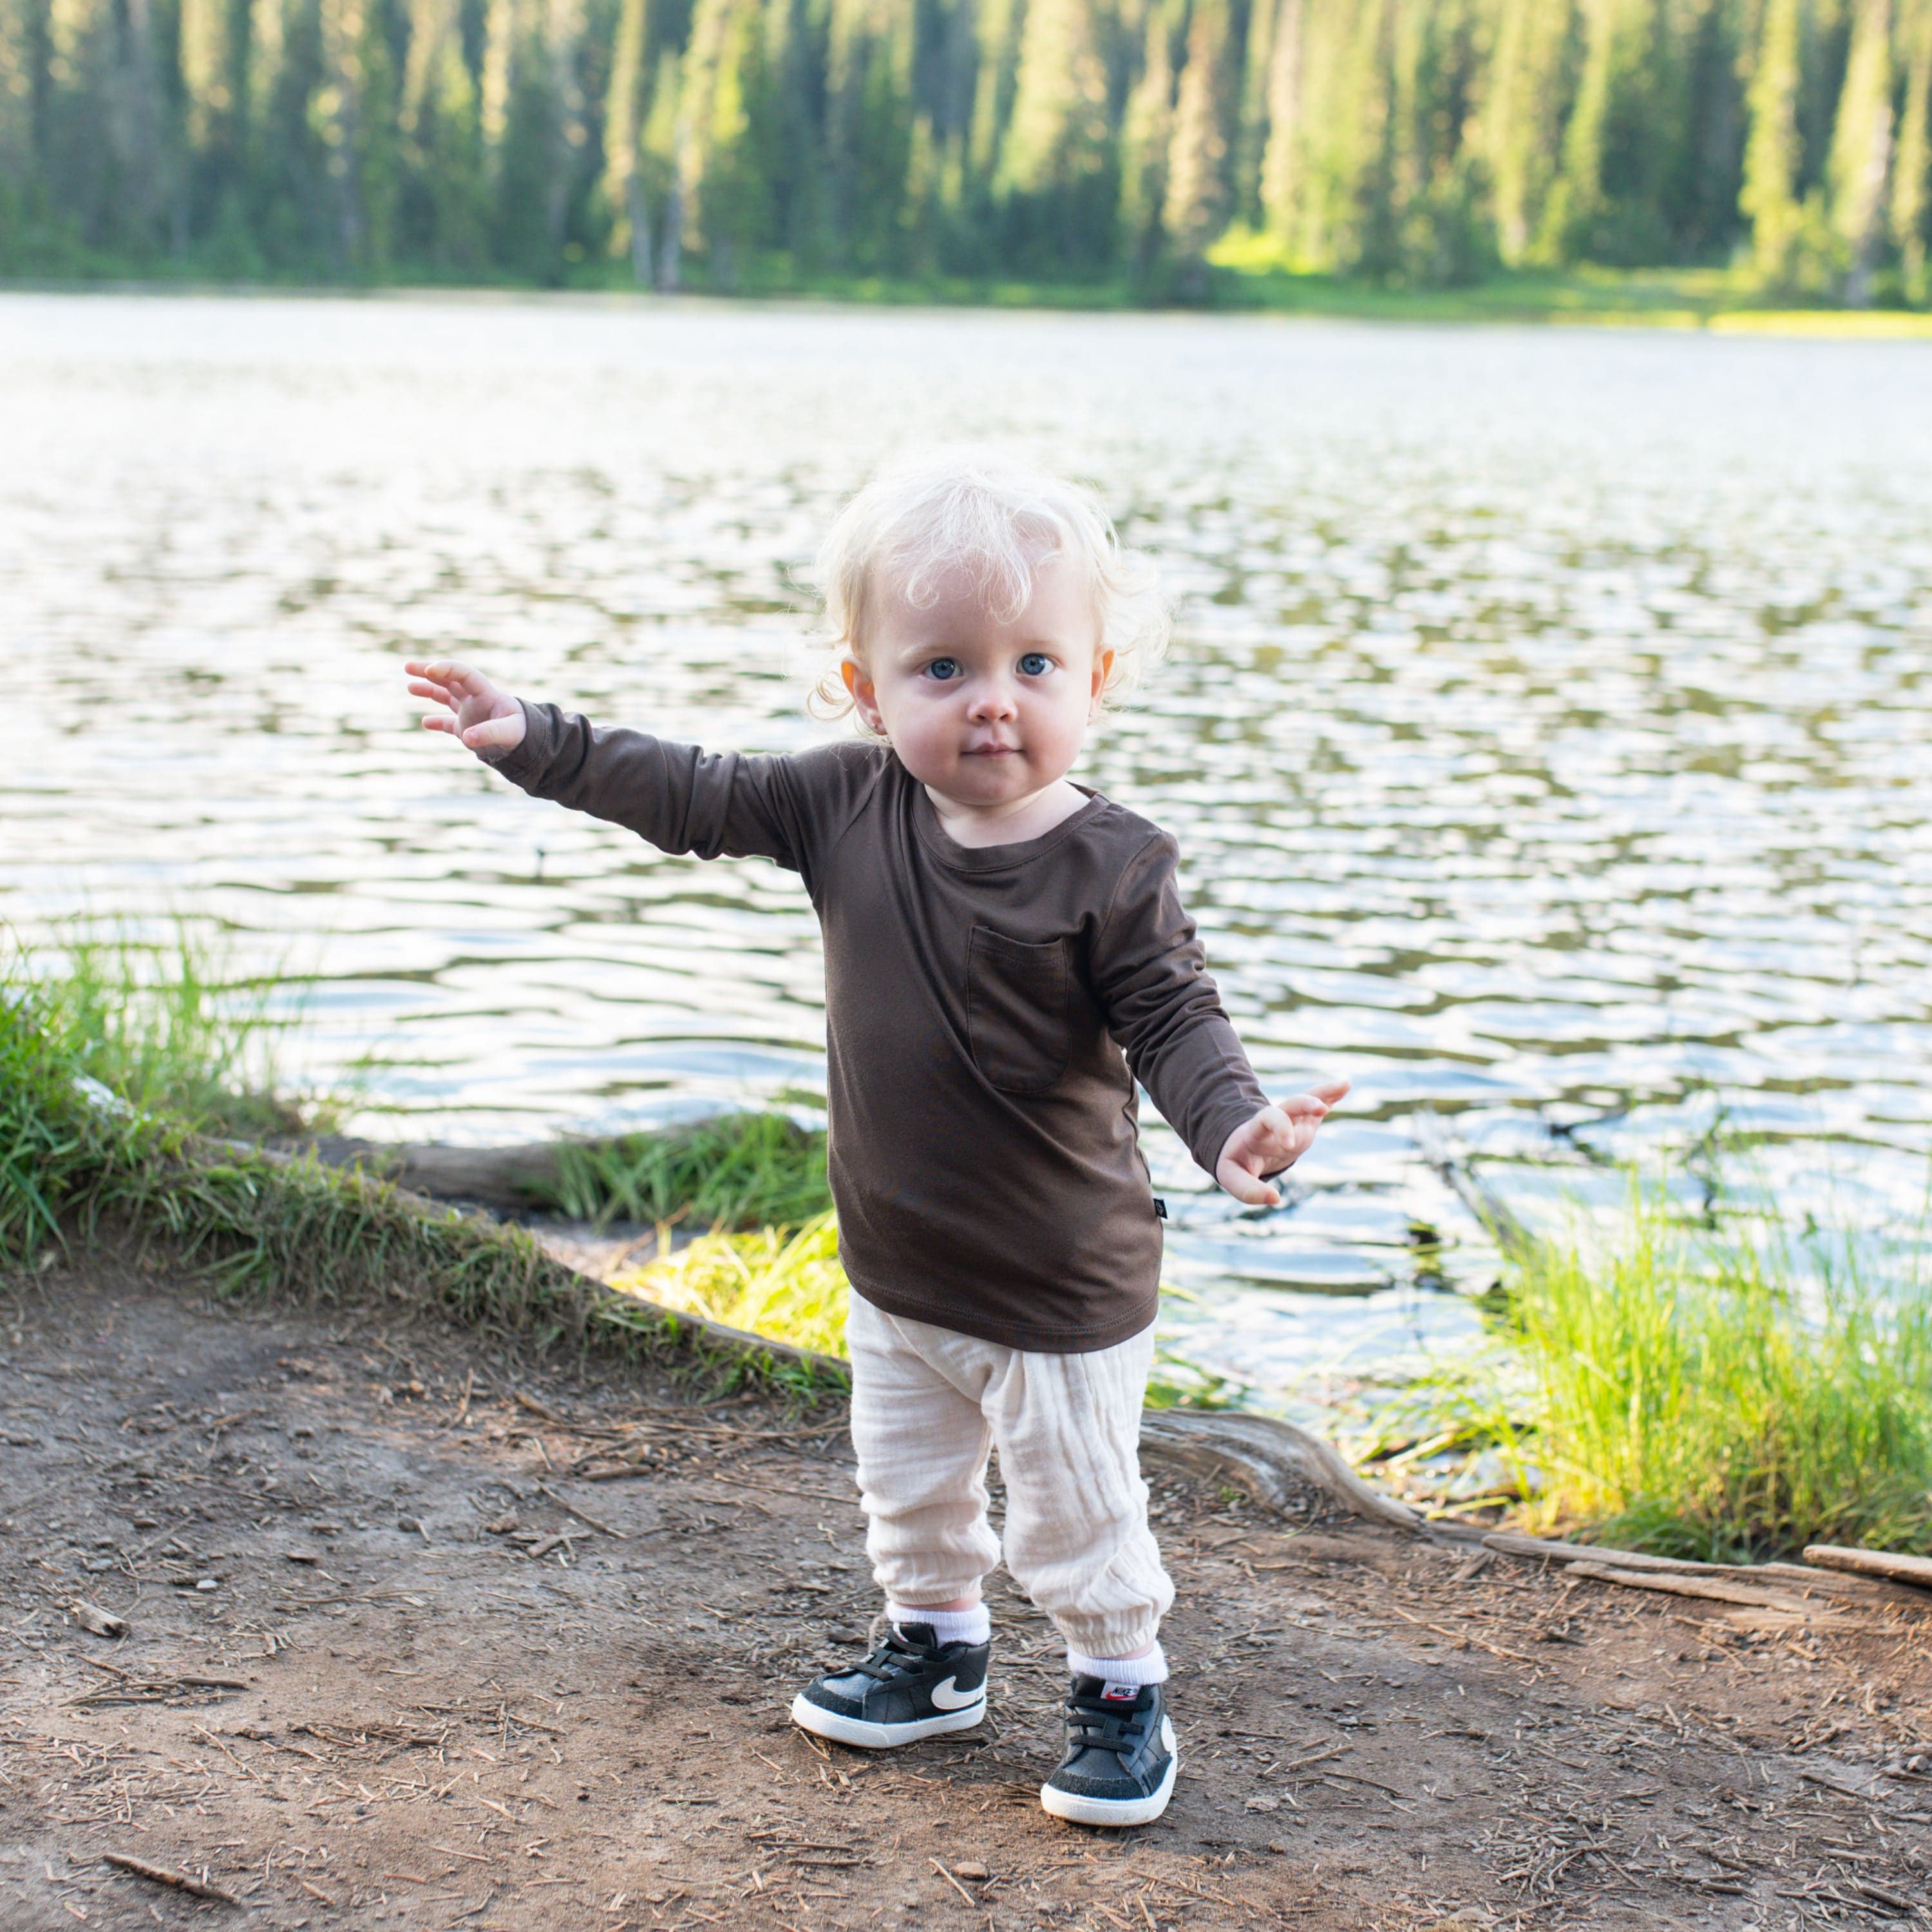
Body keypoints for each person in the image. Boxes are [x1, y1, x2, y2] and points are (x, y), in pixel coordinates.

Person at [404, 453, 1347, 1829]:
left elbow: (1175, 1019)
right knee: (908, 1490)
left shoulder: (1115, 865)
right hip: (898, 1270)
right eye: (944, 667)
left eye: (1035, 664)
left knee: (1078, 1513)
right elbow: (689, 791)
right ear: (865, 687)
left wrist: (1232, 1128)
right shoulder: (843, 806)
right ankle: (937, 1650)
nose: (993, 701)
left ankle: (1119, 1686)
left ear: (1097, 680)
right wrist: (535, 740)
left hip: (1057, 1292)